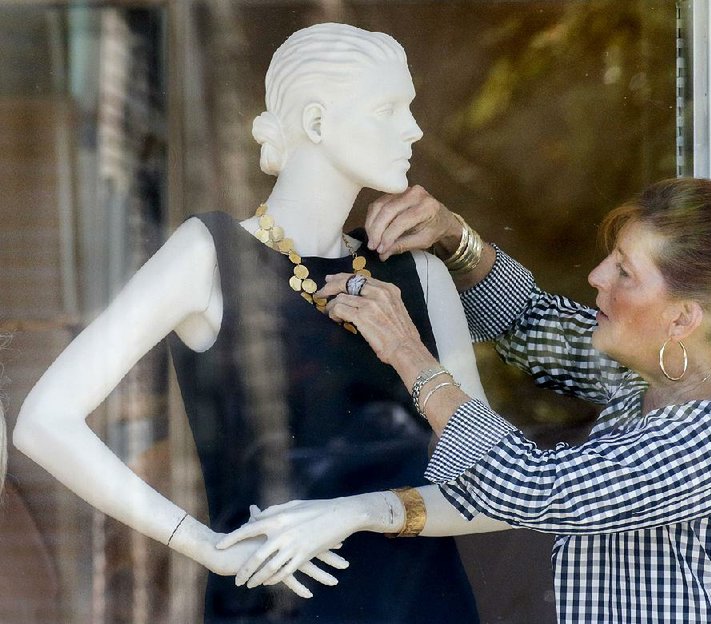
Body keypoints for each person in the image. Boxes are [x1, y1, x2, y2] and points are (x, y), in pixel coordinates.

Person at [14, 23, 485, 623]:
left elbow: (493, 489)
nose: (414, 128)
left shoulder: (419, 274)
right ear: (316, 124)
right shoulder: (209, 255)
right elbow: (44, 421)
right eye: (389, 108)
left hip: (425, 604)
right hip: (275, 605)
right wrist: (204, 546)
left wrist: (358, 510)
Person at [218, 178, 711, 623]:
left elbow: (528, 487)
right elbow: (531, 321)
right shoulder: (666, 377)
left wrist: (407, 351)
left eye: (624, 272)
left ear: (682, 317)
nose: (597, 275)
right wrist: (453, 238)